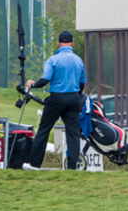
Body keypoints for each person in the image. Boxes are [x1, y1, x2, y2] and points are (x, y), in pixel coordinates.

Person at [23, 31, 86, 171]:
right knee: (73, 133)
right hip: (74, 98)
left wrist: (32, 84)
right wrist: (76, 96)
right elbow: (82, 84)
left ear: (58, 43)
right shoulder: (78, 60)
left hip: (57, 98)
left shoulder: (53, 60)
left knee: (44, 130)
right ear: (72, 43)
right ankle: (72, 167)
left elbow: (45, 80)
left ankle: (34, 164)